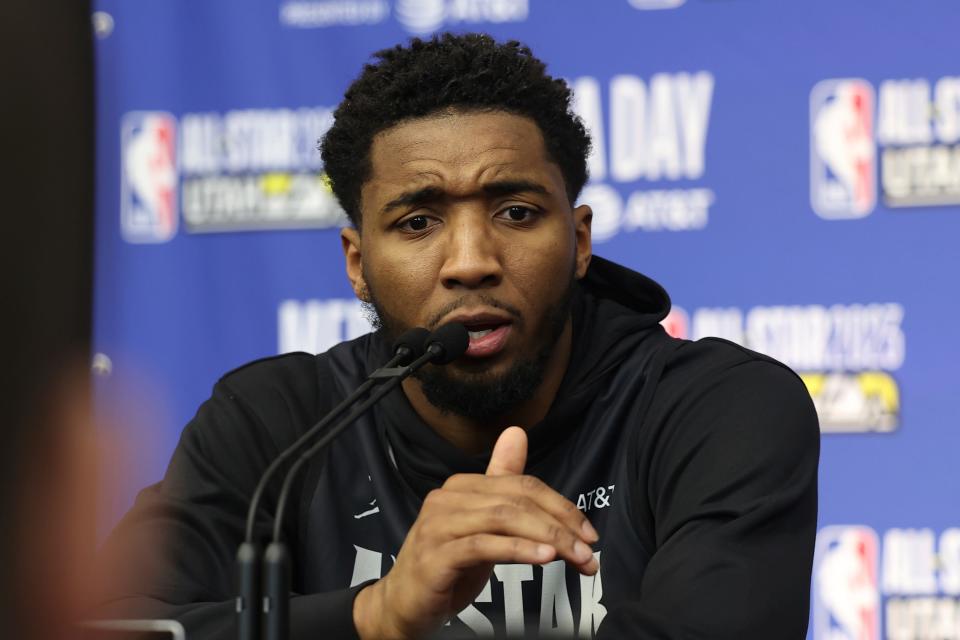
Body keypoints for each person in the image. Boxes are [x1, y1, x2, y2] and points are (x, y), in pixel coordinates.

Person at [95, 33, 819, 639]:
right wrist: (376, 614)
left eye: (515, 212)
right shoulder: (279, 426)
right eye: (418, 221)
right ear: (357, 263)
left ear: (579, 240)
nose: (471, 262)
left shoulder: (715, 409)